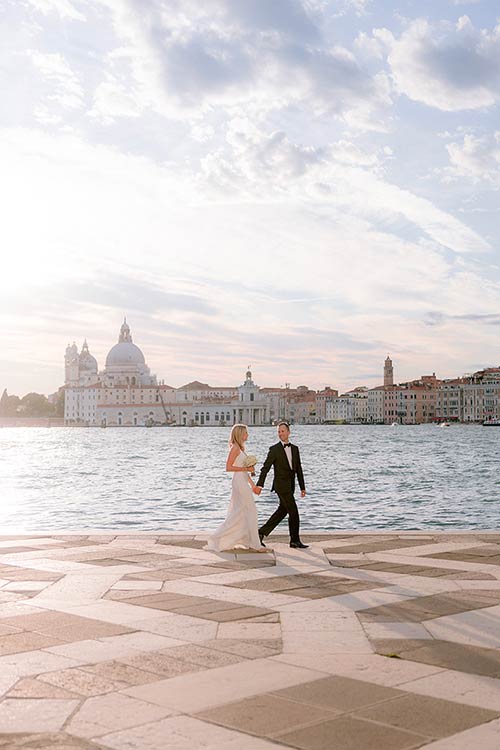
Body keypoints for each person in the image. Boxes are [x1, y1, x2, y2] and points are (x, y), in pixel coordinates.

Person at [205, 424, 265, 552]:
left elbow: (245, 472)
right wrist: (246, 468)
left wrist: (253, 485)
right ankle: (254, 544)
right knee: (249, 510)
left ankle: (248, 541)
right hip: (238, 482)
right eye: (246, 433)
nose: (247, 435)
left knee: (242, 512)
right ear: (240, 434)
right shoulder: (235, 448)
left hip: (242, 480)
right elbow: (228, 467)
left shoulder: (241, 448)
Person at [253, 421, 308, 549]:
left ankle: (260, 533)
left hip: (291, 486)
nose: (280, 434)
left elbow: (298, 469)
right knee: (294, 512)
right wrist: (260, 484)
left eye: (283, 431)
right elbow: (265, 468)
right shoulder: (274, 449)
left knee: (282, 512)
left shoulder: (295, 449)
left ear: (288, 432)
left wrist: (302, 487)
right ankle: (294, 540)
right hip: (280, 486)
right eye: (278, 431)